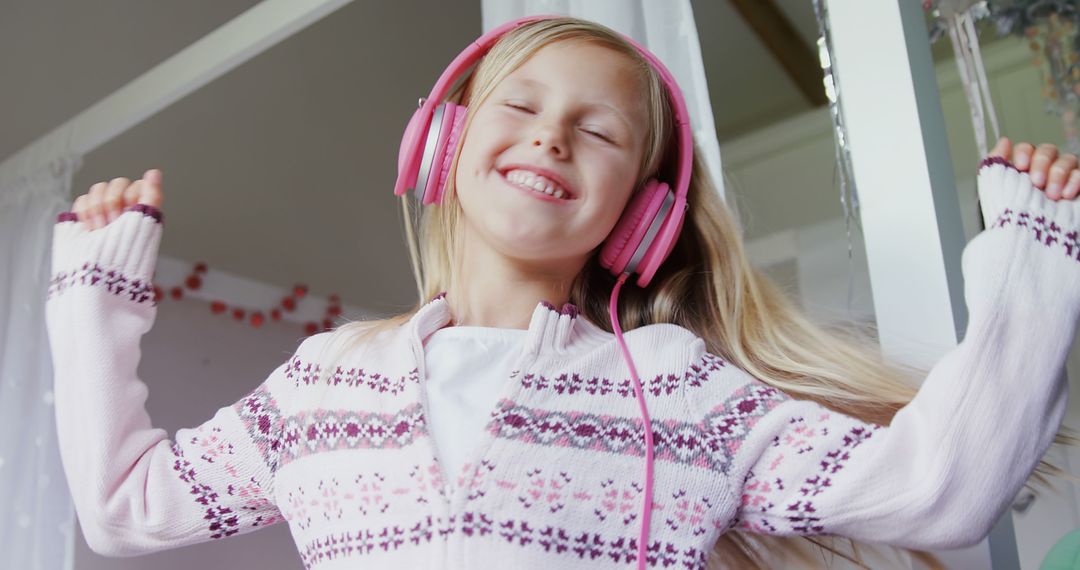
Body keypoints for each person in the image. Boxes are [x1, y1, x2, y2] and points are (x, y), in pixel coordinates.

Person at [45, 14, 1080, 570]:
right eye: (524, 106)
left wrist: (1034, 257)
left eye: (599, 130)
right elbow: (124, 511)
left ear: (641, 213)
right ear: (442, 145)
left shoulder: (678, 392)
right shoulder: (325, 381)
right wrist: (93, 296)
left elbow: (939, 488)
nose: (552, 134)